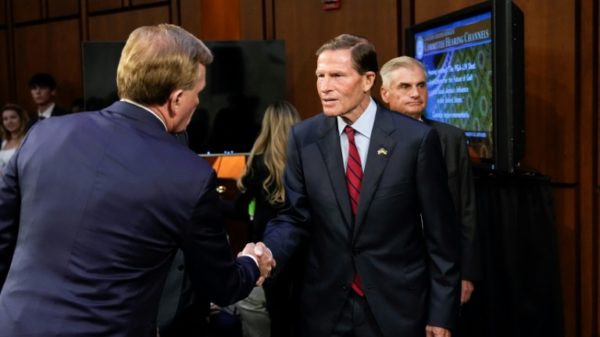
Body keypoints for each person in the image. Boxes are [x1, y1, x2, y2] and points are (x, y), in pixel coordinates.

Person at [0, 24, 275, 337]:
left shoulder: (42, 136)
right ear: (177, 99)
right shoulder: (189, 175)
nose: (198, 104)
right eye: (198, 94)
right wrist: (252, 262)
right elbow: (222, 286)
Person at [263, 34, 460, 337]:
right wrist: (267, 252)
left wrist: (441, 314)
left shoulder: (415, 141)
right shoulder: (304, 138)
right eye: (320, 76)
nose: (324, 87)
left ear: (368, 80)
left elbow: (441, 235)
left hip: (397, 308)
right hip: (325, 309)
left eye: (337, 76)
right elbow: (294, 217)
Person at [379, 56, 481, 306]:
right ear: (385, 93)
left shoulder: (452, 138)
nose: (416, 93)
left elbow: (466, 210)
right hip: (387, 270)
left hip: (440, 269)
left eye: (421, 85)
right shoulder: (370, 138)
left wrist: (466, 272)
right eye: (405, 86)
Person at [234, 100, 301, 337]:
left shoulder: (258, 162)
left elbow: (240, 210)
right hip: (302, 251)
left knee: (277, 316)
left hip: (267, 250)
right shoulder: (305, 161)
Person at [0, 103, 29, 174]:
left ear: (21, 119)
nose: (9, 122)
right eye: (5, 119)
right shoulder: (4, 142)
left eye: (13, 117)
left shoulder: (27, 140)